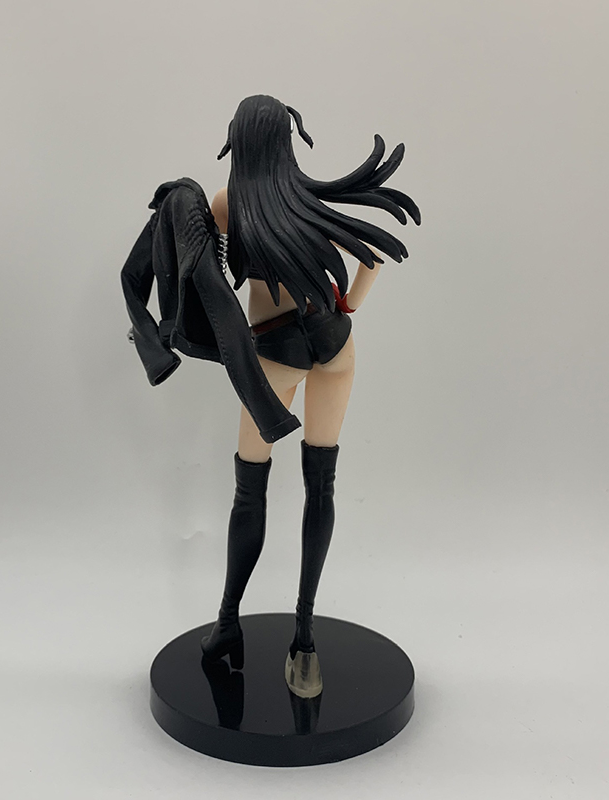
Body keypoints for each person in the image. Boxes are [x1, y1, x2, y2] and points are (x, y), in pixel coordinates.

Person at [198, 95, 420, 698]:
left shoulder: (227, 203)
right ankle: (304, 642)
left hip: (275, 353)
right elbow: (371, 257)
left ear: (239, 140)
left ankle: (227, 623)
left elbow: (205, 274)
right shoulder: (307, 197)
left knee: (250, 487)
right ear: (287, 139)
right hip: (335, 342)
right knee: (321, 482)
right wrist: (348, 306)